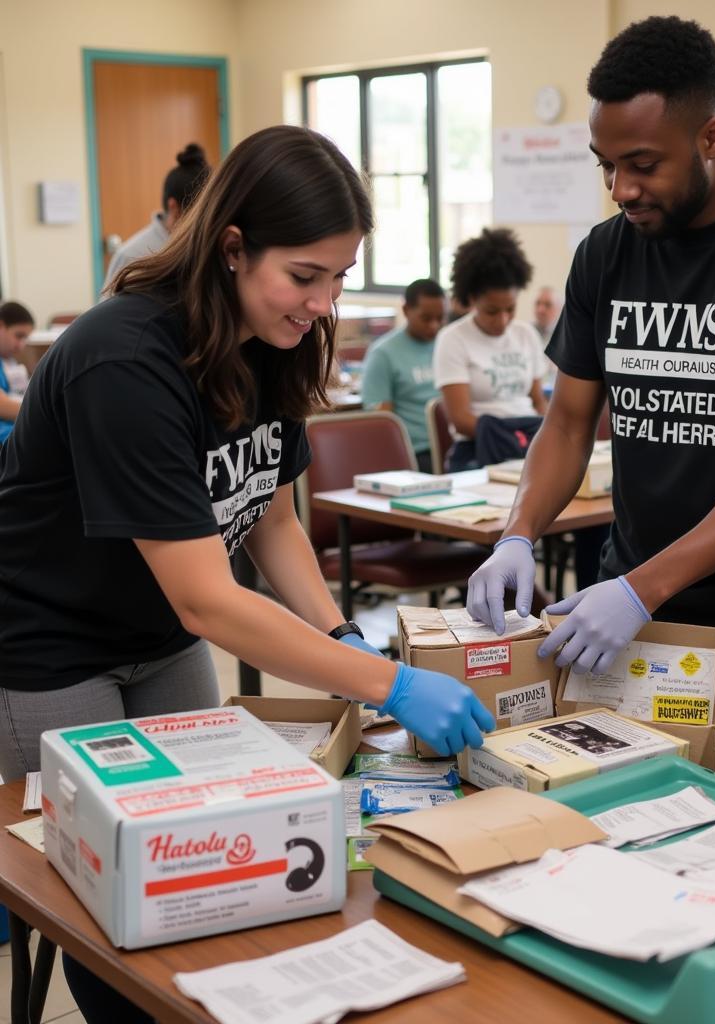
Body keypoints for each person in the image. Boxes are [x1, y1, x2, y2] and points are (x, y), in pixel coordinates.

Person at [0, 125, 494, 1023]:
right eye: (305, 275)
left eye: (341, 275)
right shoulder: (126, 357)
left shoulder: (274, 339)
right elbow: (209, 596)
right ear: (232, 247)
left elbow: (269, 516)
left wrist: (339, 634)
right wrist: (388, 677)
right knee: (105, 888)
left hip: (162, 635)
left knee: (204, 855)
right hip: (49, 644)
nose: (323, 301)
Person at [466, 16, 715, 710]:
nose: (621, 187)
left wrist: (641, 588)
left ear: (710, 137)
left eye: (643, 164)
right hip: (628, 612)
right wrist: (518, 533)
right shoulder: (605, 254)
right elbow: (567, 425)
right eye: (607, 164)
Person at [434, 227, 549, 470]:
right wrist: (511, 433)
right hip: (477, 449)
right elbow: (461, 419)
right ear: (472, 299)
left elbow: (539, 402)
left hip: (528, 441)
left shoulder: (526, 335)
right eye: (492, 311)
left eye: (510, 309)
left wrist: (541, 432)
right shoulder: (453, 339)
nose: (503, 320)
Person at [361, 278, 445, 472]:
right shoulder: (383, 354)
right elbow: (381, 418)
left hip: (451, 444)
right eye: (426, 318)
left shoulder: (448, 345)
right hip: (416, 451)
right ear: (406, 310)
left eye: (440, 318)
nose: (434, 326)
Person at [102, 143, 211, 288]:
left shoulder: (212, 248)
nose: (209, 220)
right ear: (174, 208)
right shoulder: (131, 257)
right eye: (202, 212)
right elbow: (110, 309)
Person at [0, 300, 34, 443]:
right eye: (18, 336)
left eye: (25, 338)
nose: (21, 345)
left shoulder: (6, 361)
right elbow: (2, 406)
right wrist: (40, 411)